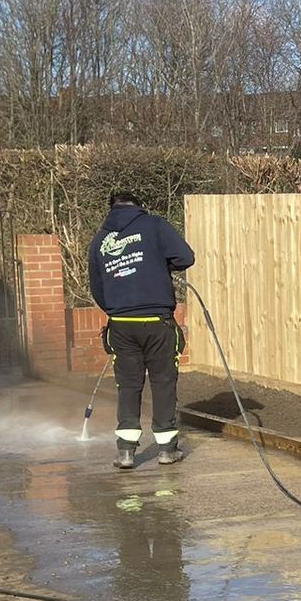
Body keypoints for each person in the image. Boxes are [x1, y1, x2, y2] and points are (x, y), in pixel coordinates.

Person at [88, 190, 195, 469]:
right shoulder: (155, 226)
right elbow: (185, 258)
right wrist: (160, 264)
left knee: (129, 386)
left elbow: (97, 288)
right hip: (158, 322)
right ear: (139, 206)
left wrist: (118, 309)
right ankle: (166, 450)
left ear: (112, 209)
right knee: (163, 382)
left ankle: (125, 452)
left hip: (122, 326)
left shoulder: (100, 241)